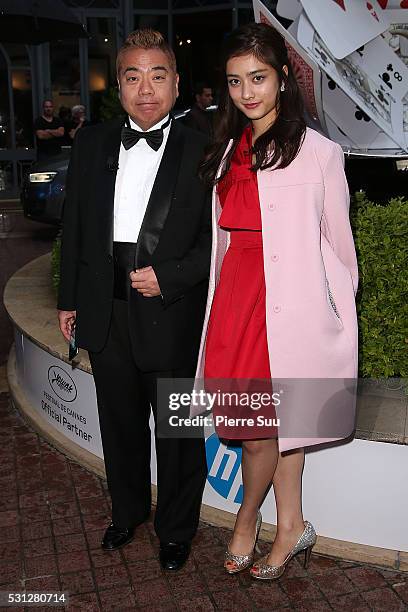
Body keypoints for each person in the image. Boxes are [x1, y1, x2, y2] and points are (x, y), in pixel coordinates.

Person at [196, 22, 358, 580]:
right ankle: (293, 524)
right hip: (236, 304)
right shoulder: (227, 152)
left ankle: (247, 523)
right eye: (236, 81)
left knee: (266, 427)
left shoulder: (321, 153)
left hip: (288, 309)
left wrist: (332, 313)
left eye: (259, 78)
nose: (247, 92)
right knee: (270, 424)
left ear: (284, 78)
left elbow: (341, 249)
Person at [57, 28, 211, 571]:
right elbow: (75, 226)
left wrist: (169, 276)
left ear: (176, 82)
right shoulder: (92, 142)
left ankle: (176, 529)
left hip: (171, 309)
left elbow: (219, 242)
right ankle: (128, 514)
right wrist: (68, 299)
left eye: (158, 75)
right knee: (118, 421)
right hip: (105, 308)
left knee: (177, 429)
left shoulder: (206, 145)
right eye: (132, 76)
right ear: (118, 87)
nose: (146, 88)